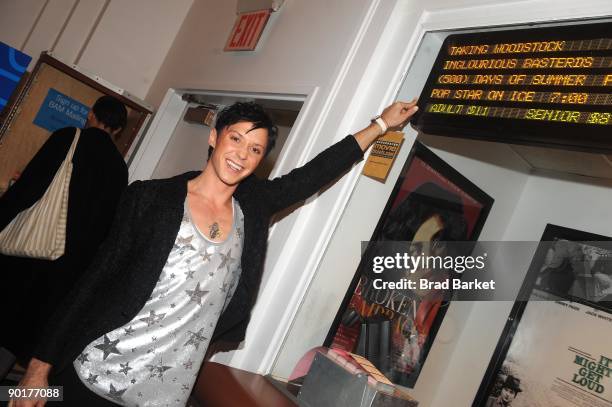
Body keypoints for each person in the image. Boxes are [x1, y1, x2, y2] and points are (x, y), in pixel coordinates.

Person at [12, 100, 419, 406]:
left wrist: (381, 125)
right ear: (214, 136)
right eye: (236, 138)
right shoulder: (150, 198)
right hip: (94, 373)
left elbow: (313, 173)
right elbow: (94, 279)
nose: (242, 154)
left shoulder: (254, 205)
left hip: (165, 394)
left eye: (255, 149)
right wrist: (39, 366)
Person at [0, 95, 129, 367]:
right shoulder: (119, 169)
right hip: (67, 269)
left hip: (29, 250)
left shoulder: (68, 138)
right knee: (23, 330)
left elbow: (29, 188)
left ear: (91, 114)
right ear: (118, 130)